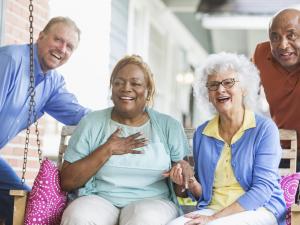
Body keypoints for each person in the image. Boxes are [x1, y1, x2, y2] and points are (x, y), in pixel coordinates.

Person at [59, 55, 189, 225]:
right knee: (78, 217)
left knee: (144, 220)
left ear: (148, 90)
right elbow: (67, 182)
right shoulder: (92, 123)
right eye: (119, 82)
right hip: (100, 200)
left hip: (154, 202)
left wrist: (181, 179)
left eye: (135, 84)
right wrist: (107, 149)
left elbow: (183, 191)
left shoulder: (168, 126)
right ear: (112, 88)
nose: (126, 88)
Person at [166, 52, 286, 225]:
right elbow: (204, 194)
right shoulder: (203, 133)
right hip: (213, 209)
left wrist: (214, 218)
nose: (220, 89)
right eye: (213, 85)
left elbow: (262, 190)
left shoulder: (264, 129)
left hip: (259, 209)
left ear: (244, 88)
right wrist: (190, 182)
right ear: (208, 94)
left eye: (228, 82)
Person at [0, 17, 89, 225]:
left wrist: (122, 118)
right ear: (41, 36)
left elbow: (81, 116)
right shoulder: (10, 60)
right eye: (58, 40)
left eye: (69, 46)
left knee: (28, 205)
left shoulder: (53, 83)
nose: (62, 48)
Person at [253, 8, 300, 167]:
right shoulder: (261, 54)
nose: (283, 45)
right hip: (283, 149)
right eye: (275, 37)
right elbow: (242, 95)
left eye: (291, 35)